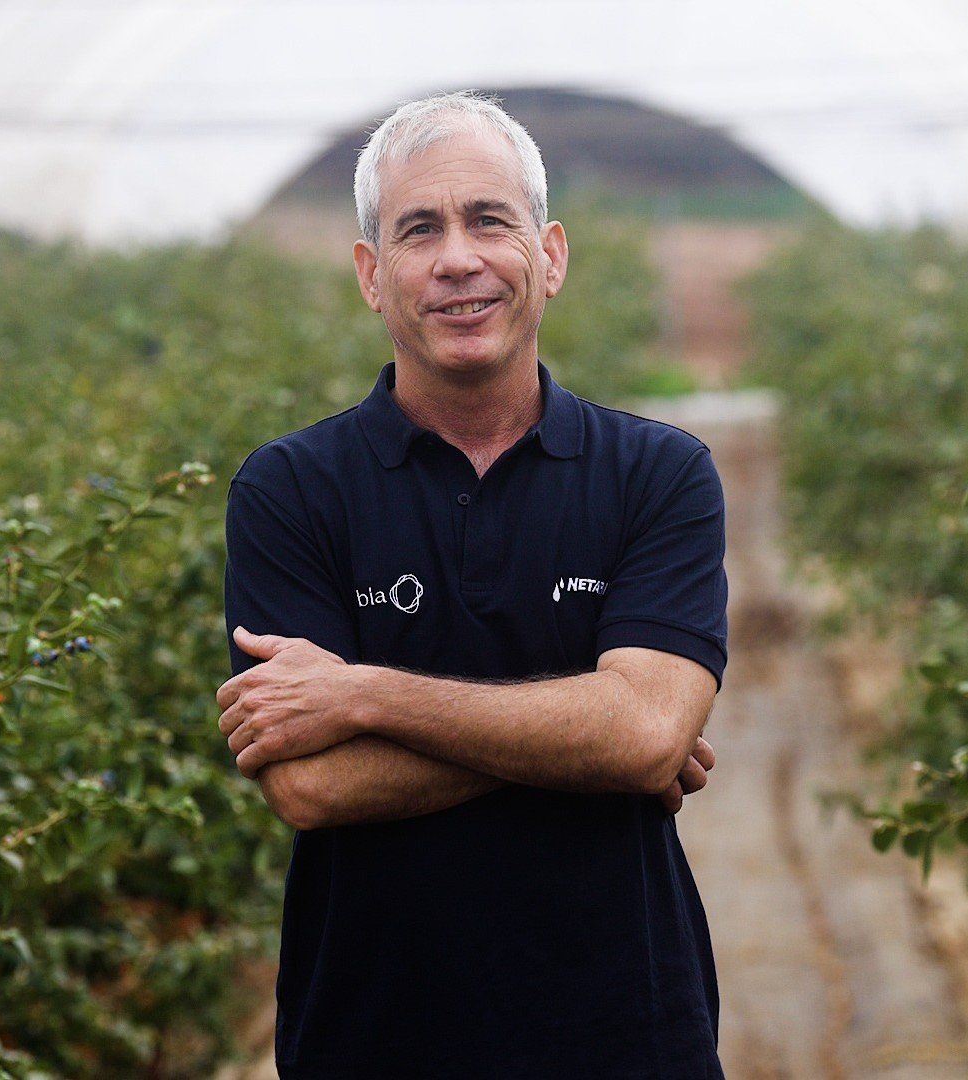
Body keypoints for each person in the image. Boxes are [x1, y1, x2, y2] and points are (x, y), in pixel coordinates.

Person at [216, 89, 729, 1080]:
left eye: (490, 219)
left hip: (628, 1036)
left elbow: (645, 735)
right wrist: (598, 739)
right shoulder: (290, 490)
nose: (458, 258)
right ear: (373, 273)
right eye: (420, 229)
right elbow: (313, 784)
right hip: (371, 1038)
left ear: (551, 255)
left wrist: (364, 694)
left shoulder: (658, 474)